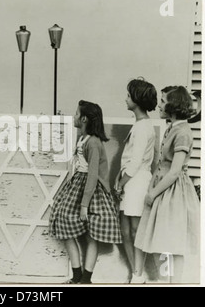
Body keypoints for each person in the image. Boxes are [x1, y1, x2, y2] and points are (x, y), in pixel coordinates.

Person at [49, 100, 122, 284]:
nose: (73, 117)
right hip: (78, 185)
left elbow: (93, 175)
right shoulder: (82, 139)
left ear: (84, 119)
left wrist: (84, 205)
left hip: (92, 191)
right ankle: (77, 276)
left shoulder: (94, 143)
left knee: (92, 235)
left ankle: (85, 279)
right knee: (63, 224)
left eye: (76, 113)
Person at [134, 86, 200, 283]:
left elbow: (174, 171)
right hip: (162, 189)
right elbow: (162, 164)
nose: (159, 106)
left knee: (173, 243)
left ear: (174, 105)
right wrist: (151, 189)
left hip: (173, 193)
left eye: (163, 102)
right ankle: (165, 281)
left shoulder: (183, 132)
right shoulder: (172, 128)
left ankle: (175, 283)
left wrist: (153, 193)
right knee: (159, 241)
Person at [114, 78, 157, 283]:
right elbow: (130, 159)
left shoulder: (143, 127)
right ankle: (135, 272)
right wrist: (120, 179)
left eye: (129, 96)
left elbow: (137, 162)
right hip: (131, 181)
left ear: (138, 99)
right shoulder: (141, 124)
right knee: (126, 230)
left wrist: (121, 184)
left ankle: (138, 274)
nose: (126, 99)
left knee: (134, 230)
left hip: (137, 183)